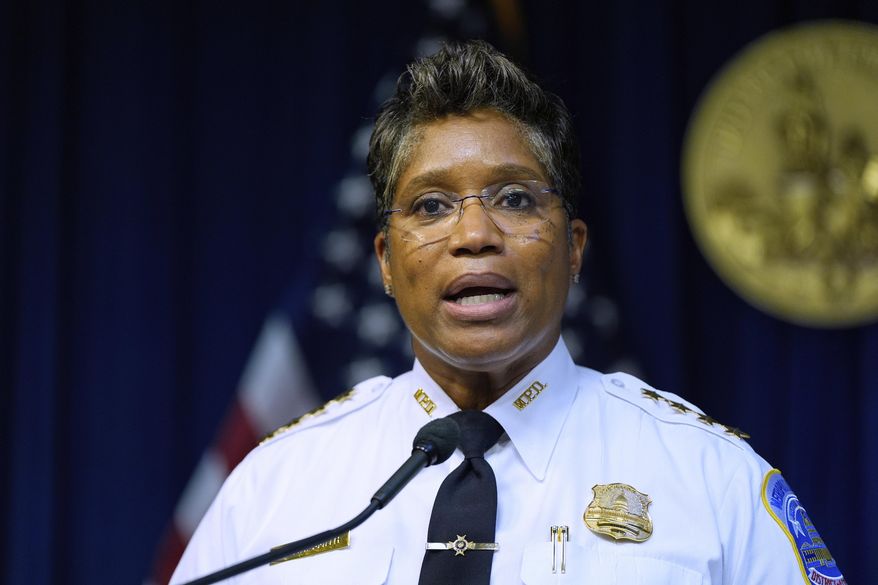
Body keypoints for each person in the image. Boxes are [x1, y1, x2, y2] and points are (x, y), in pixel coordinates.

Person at [171, 40, 844, 585]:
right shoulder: (275, 486)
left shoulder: (712, 478)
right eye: (432, 205)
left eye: (515, 199)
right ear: (384, 262)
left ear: (573, 248)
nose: (474, 234)